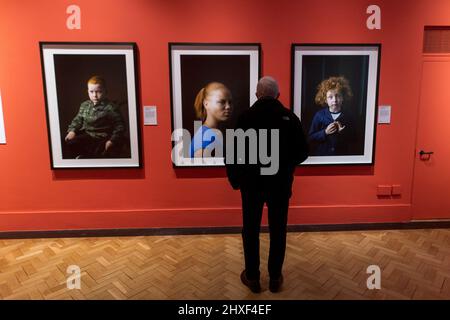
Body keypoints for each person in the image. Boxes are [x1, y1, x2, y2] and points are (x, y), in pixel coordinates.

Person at [226, 76, 308, 293]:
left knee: (250, 230)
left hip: (251, 184)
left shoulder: (245, 117)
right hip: (280, 184)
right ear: (278, 95)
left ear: (256, 94)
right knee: (278, 229)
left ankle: (252, 277)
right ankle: (274, 278)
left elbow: (232, 153)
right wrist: (286, 167)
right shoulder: (289, 117)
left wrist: (236, 180)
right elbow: (303, 152)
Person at [65, 76, 126, 159]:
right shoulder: (85, 105)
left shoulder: (110, 107)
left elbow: (120, 126)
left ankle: (87, 157)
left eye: (99, 92)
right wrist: (72, 131)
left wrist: (112, 140)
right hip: (88, 135)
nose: (95, 95)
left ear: (105, 91)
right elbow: (78, 120)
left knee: (101, 152)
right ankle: (82, 157)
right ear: (88, 92)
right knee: (69, 143)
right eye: (91, 92)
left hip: (103, 137)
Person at [308, 76, 356, 156]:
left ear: (343, 97)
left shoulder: (349, 116)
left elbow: (355, 139)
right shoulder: (319, 115)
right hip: (322, 157)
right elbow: (311, 137)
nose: (335, 100)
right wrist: (325, 132)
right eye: (330, 97)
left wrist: (343, 133)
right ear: (325, 100)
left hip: (342, 157)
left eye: (338, 96)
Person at [190, 82, 233, 158]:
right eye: (222, 102)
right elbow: (201, 169)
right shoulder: (207, 135)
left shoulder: (210, 132)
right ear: (206, 104)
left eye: (230, 102)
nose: (228, 107)